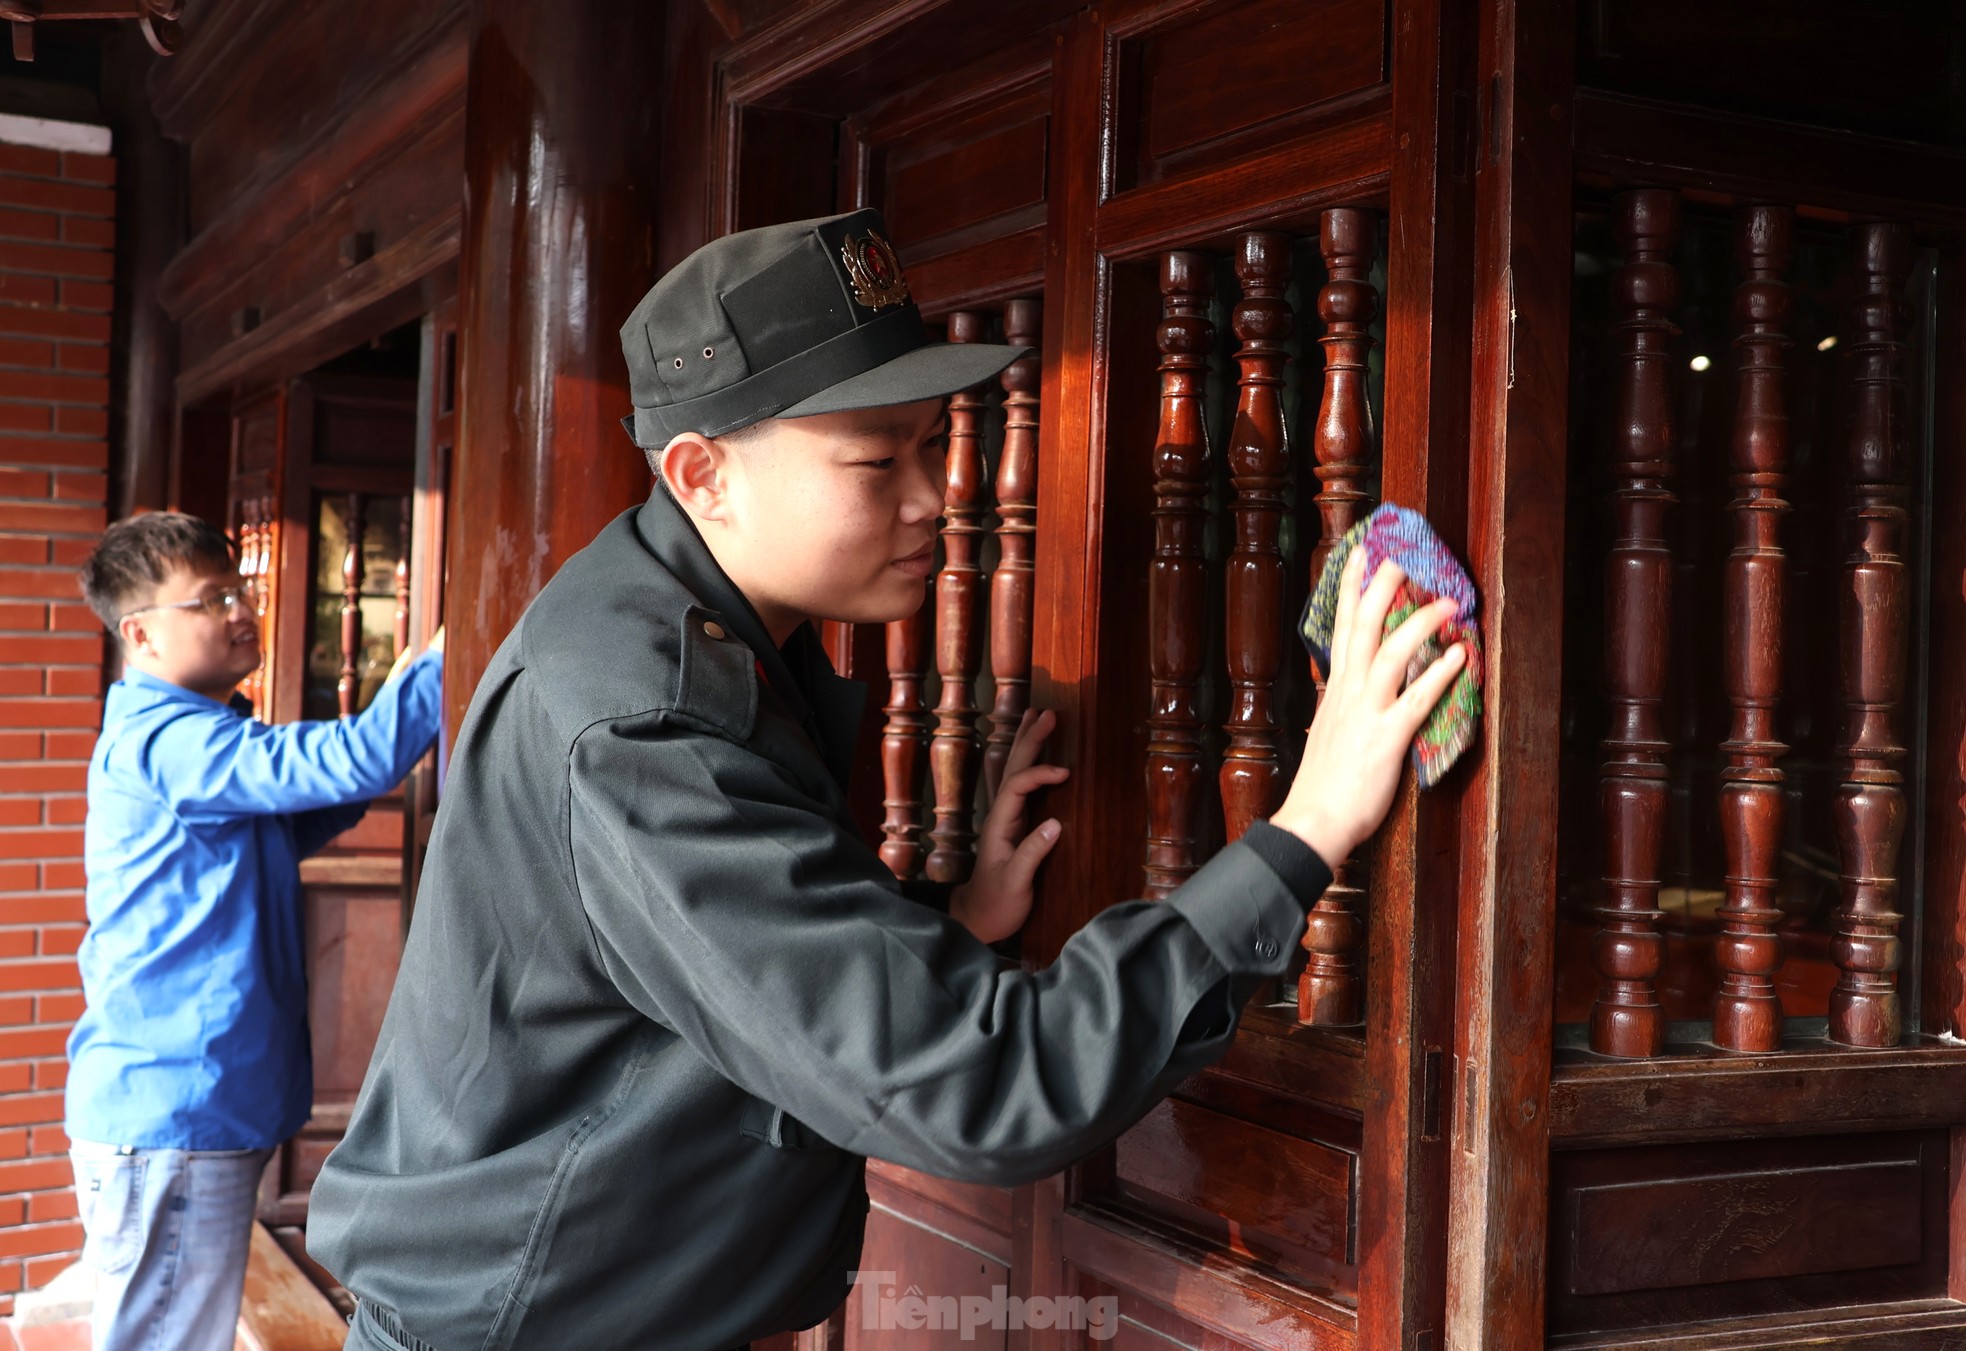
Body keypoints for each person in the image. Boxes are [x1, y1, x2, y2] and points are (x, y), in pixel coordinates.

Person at [309, 209, 1467, 1351]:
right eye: (878, 458)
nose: (931, 498)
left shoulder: (681, 622)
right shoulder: (640, 720)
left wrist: (945, 919)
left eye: (929, 443)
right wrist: (1305, 827)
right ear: (704, 473)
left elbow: (699, 968)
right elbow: (980, 1086)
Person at [68, 512, 445, 1351]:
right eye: (212, 599)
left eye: (241, 590)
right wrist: (449, 660)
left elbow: (297, 813)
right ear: (141, 632)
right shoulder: (173, 740)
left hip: (178, 1105)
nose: (242, 610)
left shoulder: (186, 736)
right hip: (172, 1106)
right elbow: (357, 761)